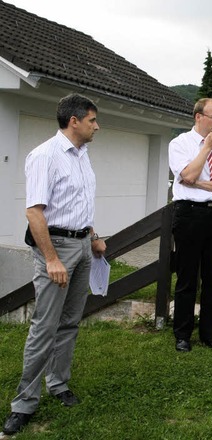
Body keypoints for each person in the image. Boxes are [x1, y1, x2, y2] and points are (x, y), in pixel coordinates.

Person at [3, 94, 107, 436]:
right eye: (92, 120)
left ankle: (58, 383)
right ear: (73, 121)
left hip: (80, 245)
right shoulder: (45, 156)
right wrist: (50, 259)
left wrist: (93, 236)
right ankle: (24, 404)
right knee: (44, 327)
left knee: (70, 322)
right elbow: (35, 212)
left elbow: (79, 203)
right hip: (57, 247)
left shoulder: (83, 155)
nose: (96, 126)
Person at [168, 98, 212, 352]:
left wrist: (199, 184)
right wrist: (205, 149)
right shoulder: (180, 144)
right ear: (198, 117)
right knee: (187, 277)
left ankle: (210, 333)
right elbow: (187, 174)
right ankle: (183, 334)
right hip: (189, 214)